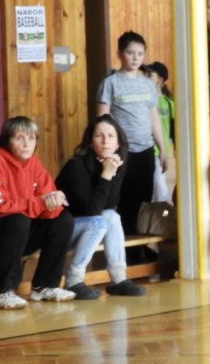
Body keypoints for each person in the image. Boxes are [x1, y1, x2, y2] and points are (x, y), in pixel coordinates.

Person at [55, 115, 146, 299]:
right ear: (90, 142)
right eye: (99, 135)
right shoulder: (76, 166)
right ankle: (73, 280)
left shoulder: (114, 164)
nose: (105, 141)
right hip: (59, 231)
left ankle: (119, 279)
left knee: (112, 217)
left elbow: (109, 205)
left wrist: (110, 173)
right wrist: (106, 175)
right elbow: (92, 210)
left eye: (111, 136)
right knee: (99, 221)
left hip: (88, 227)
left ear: (118, 144)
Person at [0, 117, 76, 309]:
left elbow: (45, 203)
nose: (26, 143)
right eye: (19, 138)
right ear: (7, 140)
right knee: (18, 219)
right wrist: (39, 203)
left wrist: (53, 203)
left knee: (63, 219)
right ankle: (1, 290)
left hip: (18, 235)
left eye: (31, 138)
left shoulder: (34, 163)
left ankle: (45, 286)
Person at [95, 31, 167, 236]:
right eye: (130, 52)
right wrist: (106, 152)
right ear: (120, 54)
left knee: (144, 201)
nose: (135, 58)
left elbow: (154, 118)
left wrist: (162, 149)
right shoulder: (110, 83)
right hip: (122, 153)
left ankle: (140, 246)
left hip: (146, 150)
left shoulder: (148, 84)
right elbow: (103, 121)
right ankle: (127, 249)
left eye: (140, 53)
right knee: (124, 200)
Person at [141, 60, 176, 201]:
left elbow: (174, 131)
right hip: (145, 149)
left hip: (161, 152)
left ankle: (163, 217)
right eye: (144, 74)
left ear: (160, 80)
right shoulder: (143, 101)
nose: (145, 77)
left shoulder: (169, 103)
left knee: (161, 190)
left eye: (150, 75)